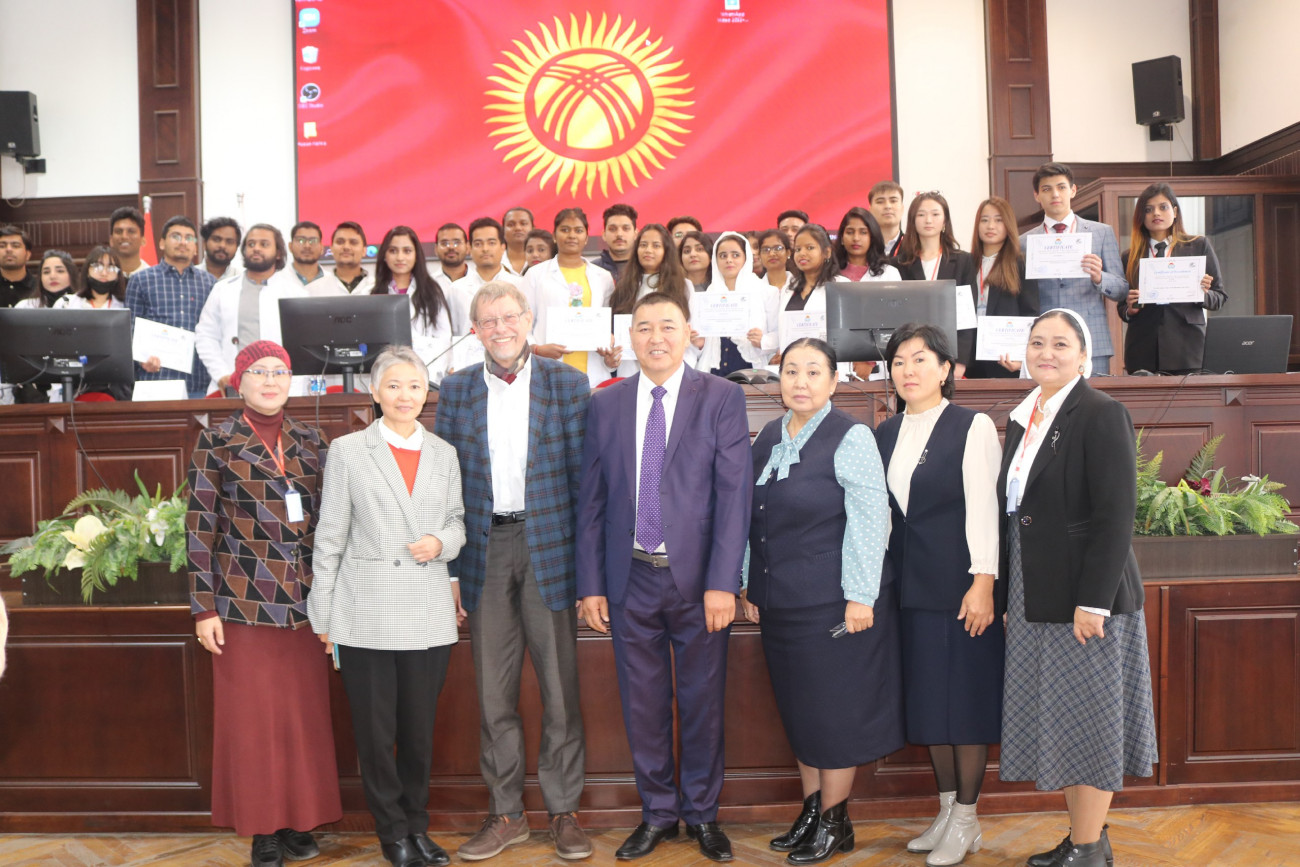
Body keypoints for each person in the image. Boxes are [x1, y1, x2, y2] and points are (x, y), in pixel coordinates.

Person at [576, 292, 752, 862]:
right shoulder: (606, 403)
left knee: (703, 702)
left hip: (699, 583)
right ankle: (657, 814)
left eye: (667, 326)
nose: (656, 337)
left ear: (687, 332)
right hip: (629, 579)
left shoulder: (721, 397)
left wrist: (723, 582)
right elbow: (592, 500)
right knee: (643, 705)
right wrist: (591, 584)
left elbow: (734, 496)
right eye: (644, 327)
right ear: (630, 337)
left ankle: (702, 814)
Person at [435, 281, 594, 862]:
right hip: (483, 550)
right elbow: (446, 485)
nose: (500, 328)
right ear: (474, 329)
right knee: (492, 693)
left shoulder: (567, 384)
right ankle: (506, 813)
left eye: (509, 317)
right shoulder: (455, 390)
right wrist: (451, 572)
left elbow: (585, 482)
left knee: (560, 690)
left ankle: (563, 812)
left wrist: (589, 572)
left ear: (528, 320)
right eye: (488, 320)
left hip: (550, 546)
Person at [998, 309, 1157, 867]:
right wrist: (1008, 595)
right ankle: (1086, 839)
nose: (1046, 353)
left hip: (1085, 596)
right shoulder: (1023, 417)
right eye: (1037, 342)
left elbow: (1116, 516)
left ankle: (1087, 849)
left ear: (1084, 356)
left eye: (1060, 344)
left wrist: (1093, 603)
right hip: (1036, 587)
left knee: (1088, 721)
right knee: (1065, 721)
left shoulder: (1101, 412)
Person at [740, 337, 901, 865]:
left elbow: (869, 521)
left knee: (834, 715)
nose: (801, 382)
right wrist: (748, 582)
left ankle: (836, 821)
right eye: (791, 371)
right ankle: (811, 812)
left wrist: (860, 597)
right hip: (779, 602)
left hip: (832, 603)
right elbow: (750, 516)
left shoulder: (851, 435)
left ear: (834, 381)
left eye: (814, 372)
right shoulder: (769, 434)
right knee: (801, 712)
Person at [308, 345, 466, 867]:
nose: (404, 395)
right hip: (365, 611)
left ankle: (416, 826)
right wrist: (323, 614)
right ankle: (391, 832)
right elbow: (330, 536)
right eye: (393, 386)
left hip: (428, 610)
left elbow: (458, 522)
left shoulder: (444, 453)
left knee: (418, 735)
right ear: (374, 392)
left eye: (414, 386)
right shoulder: (349, 450)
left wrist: (441, 542)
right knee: (377, 736)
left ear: (426, 393)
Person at [188, 340, 342, 867]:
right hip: (243, 602)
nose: (271, 380)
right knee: (253, 723)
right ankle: (263, 828)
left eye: (280, 371)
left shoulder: (312, 440)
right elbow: (199, 527)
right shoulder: (217, 440)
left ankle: (299, 819)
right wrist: (203, 608)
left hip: (306, 603)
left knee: (302, 719)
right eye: (259, 371)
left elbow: (331, 524)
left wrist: (334, 598)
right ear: (240, 382)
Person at [876, 324, 1003, 866]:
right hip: (909, 589)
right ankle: (948, 812)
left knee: (964, 704)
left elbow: (985, 509)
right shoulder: (885, 432)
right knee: (931, 704)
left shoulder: (971, 425)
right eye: (899, 361)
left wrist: (984, 582)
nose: (908, 370)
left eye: (920, 359)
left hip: (960, 588)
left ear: (946, 369)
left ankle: (969, 818)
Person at [1020, 163, 1128, 375]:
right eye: (1047, 189)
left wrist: (1099, 277)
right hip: (1044, 342)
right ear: (1036, 195)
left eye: (1061, 187)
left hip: (1091, 338)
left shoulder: (1101, 233)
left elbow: (1121, 289)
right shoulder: (1024, 242)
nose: (1055, 194)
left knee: (1093, 396)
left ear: (1073, 190)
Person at [1119, 182, 1227, 374]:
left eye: (1163, 207)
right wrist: (1129, 309)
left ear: (1175, 211)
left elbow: (1219, 297)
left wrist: (1200, 293)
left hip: (1188, 348)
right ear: (1141, 216)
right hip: (1143, 349)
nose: (1156, 213)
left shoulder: (1198, 245)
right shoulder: (1130, 256)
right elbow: (1122, 307)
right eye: (1148, 209)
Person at [195, 224, 306, 394]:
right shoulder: (222, 289)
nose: (256, 248)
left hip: (279, 388)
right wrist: (221, 374)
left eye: (264, 244)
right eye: (251, 244)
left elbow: (302, 349)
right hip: (232, 384)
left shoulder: (295, 293)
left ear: (278, 253)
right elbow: (205, 336)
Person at [126, 215, 217, 398]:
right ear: (162, 243)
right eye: (176, 236)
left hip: (199, 382)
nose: (183, 242)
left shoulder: (210, 283)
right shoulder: (141, 280)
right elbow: (129, 328)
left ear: (195, 247)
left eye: (189, 238)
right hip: (155, 379)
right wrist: (141, 359)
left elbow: (214, 330)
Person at [525, 208, 618, 388]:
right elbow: (522, 323)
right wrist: (537, 349)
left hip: (593, 371)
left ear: (586, 237)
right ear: (554, 235)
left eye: (578, 230)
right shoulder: (535, 275)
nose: (572, 235)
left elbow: (607, 324)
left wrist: (608, 341)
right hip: (548, 368)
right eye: (565, 230)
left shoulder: (603, 277)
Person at [895, 193, 979, 376]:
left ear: (945, 220)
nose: (928, 220)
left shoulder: (963, 261)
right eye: (921, 214)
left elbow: (967, 315)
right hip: (910, 352)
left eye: (935, 214)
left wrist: (961, 361)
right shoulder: (899, 264)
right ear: (912, 220)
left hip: (949, 352)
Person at [967, 197, 1040, 379]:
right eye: (984, 220)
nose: (990, 226)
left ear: (1008, 225)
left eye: (998, 220)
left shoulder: (1020, 263)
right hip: (969, 356)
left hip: (1004, 358)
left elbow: (1030, 313)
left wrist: (1021, 357)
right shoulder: (966, 263)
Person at [371, 225, 453, 385]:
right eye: (393, 251)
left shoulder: (432, 292)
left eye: (407, 251)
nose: (400, 257)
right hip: (386, 378)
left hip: (426, 376)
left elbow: (444, 339)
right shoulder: (372, 293)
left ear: (416, 255)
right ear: (384, 255)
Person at [690, 231, 773, 377]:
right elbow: (701, 346)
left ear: (746, 258)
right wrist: (700, 343)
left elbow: (779, 334)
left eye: (735, 255)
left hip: (750, 371)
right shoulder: (708, 295)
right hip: (714, 371)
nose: (729, 260)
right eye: (723, 256)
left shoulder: (766, 292)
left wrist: (763, 341)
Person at [768, 224, 849, 373]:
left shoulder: (840, 286)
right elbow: (783, 331)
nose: (802, 253)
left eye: (810, 248)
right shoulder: (789, 288)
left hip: (827, 367)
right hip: (793, 367)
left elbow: (849, 334)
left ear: (827, 252)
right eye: (798, 249)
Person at [448, 217, 523, 338]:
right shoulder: (456, 289)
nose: (485, 249)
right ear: (469, 248)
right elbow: (452, 334)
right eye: (478, 244)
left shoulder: (520, 285)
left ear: (503, 247)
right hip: (469, 349)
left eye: (491, 243)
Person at [833, 208, 901, 283]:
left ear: (872, 237)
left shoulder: (889, 274)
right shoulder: (830, 273)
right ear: (842, 238)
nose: (856, 238)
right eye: (850, 232)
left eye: (863, 232)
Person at [289, 221, 347, 296]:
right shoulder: (278, 280)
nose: (307, 245)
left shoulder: (336, 283)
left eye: (313, 241)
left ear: (322, 248)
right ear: (290, 246)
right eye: (301, 240)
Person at [70, 245, 128, 309]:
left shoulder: (125, 305)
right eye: (98, 267)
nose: (104, 273)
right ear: (87, 271)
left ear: (118, 275)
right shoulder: (68, 303)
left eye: (111, 268)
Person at [595, 203, 638, 280]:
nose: (619, 234)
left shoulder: (647, 268)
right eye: (612, 229)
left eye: (626, 228)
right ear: (604, 235)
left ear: (636, 234)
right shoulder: (591, 270)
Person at [329, 221, 373, 293]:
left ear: (364, 250)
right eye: (340, 242)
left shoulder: (376, 286)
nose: (346, 247)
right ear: (331, 249)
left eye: (353, 242)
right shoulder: (317, 286)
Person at [0, 224, 36, 307]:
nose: (8, 249)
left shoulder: (38, 288)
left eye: (15, 246)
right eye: (2, 246)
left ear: (27, 255)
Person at [430, 222, 472, 291]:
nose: (451, 247)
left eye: (456, 243)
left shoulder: (481, 282)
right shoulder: (428, 284)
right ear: (436, 249)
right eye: (445, 243)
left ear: (467, 247)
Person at [109, 206, 149, 278]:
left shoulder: (153, 277)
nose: (124, 236)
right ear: (111, 240)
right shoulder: (104, 277)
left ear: (143, 240)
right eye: (119, 231)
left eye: (131, 231)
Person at [869, 181, 906, 258]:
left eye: (893, 201)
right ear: (870, 210)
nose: (888, 206)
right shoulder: (863, 247)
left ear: (902, 208)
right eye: (880, 202)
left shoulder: (915, 247)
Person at [201, 217, 242, 282]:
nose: (222, 246)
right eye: (216, 239)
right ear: (204, 243)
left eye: (229, 242)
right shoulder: (189, 276)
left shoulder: (241, 279)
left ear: (237, 247)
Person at [502, 206, 534, 276]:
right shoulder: (495, 260)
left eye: (523, 223)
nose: (518, 228)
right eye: (511, 224)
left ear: (532, 228)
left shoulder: (544, 260)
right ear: (503, 231)